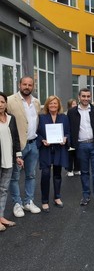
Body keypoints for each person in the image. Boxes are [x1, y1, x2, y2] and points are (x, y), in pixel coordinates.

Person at [7, 76, 41, 217]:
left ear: (33, 86)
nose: (27, 87)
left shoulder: (36, 102)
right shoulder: (9, 101)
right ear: (19, 85)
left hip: (33, 145)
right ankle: (17, 203)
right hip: (17, 146)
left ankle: (29, 201)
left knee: (31, 175)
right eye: (24, 84)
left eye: (30, 85)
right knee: (14, 177)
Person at [37, 96, 70, 213]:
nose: (53, 106)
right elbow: (37, 133)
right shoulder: (41, 118)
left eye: (55, 103)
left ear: (59, 105)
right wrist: (42, 140)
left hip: (59, 148)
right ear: (47, 105)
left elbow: (68, 132)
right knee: (45, 174)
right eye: (50, 103)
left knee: (57, 174)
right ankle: (45, 201)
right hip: (45, 149)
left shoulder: (64, 117)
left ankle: (57, 197)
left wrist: (65, 138)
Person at [0, 92, 24, 231]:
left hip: (8, 159)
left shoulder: (11, 118)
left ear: (5, 104)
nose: (0, 104)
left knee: (3, 190)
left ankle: (1, 216)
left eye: (2, 101)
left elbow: (15, 138)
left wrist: (18, 156)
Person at [66, 99, 80, 177]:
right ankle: (70, 169)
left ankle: (77, 169)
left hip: (77, 137)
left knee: (77, 155)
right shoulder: (67, 114)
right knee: (70, 155)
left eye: (75, 104)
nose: (75, 105)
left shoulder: (78, 113)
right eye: (73, 104)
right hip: (70, 137)